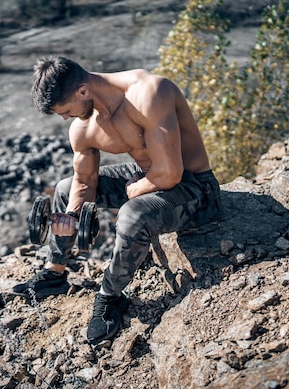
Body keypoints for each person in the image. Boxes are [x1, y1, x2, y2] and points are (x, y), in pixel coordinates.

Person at [13, 55, 222, 345]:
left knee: (132, 213)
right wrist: (71, 217)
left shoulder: (148, 92)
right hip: (147, 174)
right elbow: (84, 181)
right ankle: (54, 273)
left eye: (66, 110)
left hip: (196, 188)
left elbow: (170, 173)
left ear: (83, 91)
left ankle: (110, 297)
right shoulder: (84, 127)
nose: (64, 118)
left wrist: (134, 191)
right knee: (65, 188)